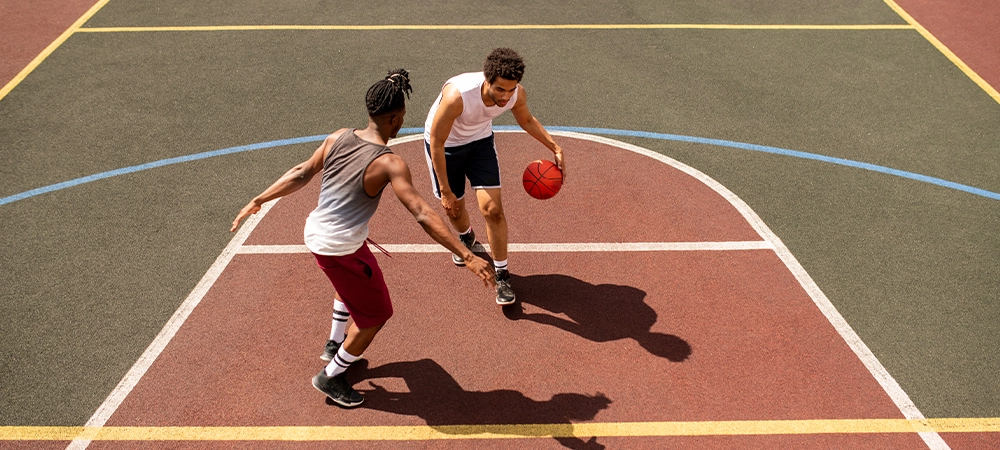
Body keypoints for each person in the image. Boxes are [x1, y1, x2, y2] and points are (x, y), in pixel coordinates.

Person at [230, 69, 495, 408]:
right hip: (340, 246)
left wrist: (259, 199)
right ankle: (332, 374)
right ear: (397, 119)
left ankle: (334, 342)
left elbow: (302, 172)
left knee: (349, 281)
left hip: (318, 234)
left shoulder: (338, 137)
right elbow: (422, 213)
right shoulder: (389, 163)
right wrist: (466, 253)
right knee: (376, 316)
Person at [424, 47, 566, 305]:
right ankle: (466, 236)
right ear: (487, 80)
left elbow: (527, 120)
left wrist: (554, 147)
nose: (506, 97)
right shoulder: (458, 96)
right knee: (454, 208)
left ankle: (502, 275)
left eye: (511, 90)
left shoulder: (515, 95)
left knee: (493, 210)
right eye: (500, 89)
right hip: (446, 147)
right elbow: (436, 141)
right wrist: (445, 190)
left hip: (479, 143)